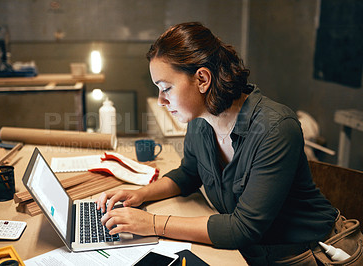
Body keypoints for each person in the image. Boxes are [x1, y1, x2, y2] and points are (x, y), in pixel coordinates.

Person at [97, 22, 338, 265]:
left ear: (202, 79)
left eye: (166, 88)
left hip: (308, 253)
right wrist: (139, 195)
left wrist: (152, 224)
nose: (161, 100)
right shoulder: (201, 120)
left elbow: (243, 228)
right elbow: (189, 173)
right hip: (251, 252)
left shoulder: (275, 127)